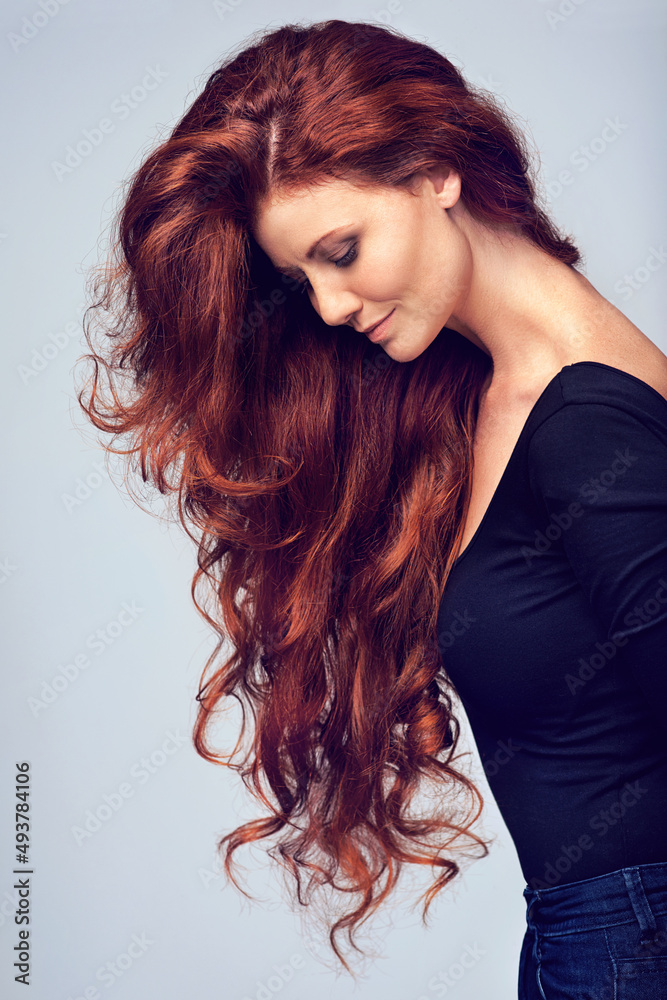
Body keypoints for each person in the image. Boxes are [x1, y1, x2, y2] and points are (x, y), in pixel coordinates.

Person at [76, 17, 667, 995]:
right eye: (302, 278)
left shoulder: (584, 422)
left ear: (438, 169)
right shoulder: (496, 397)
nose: (330, 305)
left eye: (341, 250)